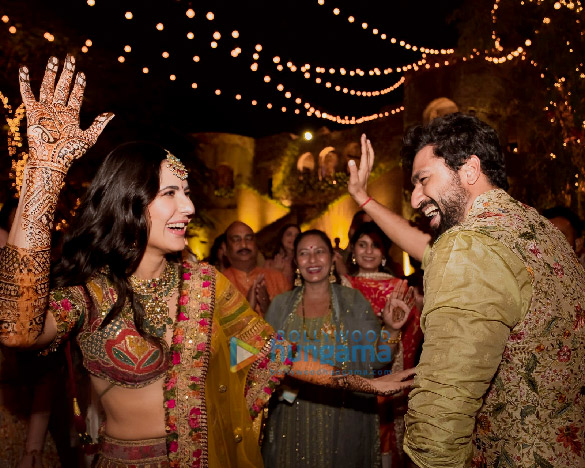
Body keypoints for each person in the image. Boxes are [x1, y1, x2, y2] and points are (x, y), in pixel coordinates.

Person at [0, 56, 415, 468]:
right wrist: (44, 173)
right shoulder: (92, 294)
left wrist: (366, 383)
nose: (190, 205)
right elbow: (17, 331)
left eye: (187, 192)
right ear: (130, 204)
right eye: (170, 194)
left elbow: (275, 353)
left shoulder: (204, 285)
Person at [347, 114, 585, 467]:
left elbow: (443, 409)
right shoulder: (539, 231)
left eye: (423, 180)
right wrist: (362, 198)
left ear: (469, 169)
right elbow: (424, 246)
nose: (415, 199)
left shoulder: (468, 246)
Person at [262, 229, 415, 468]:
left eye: (319, 252)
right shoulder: (280, 306)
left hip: (343, 417)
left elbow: (377, 360)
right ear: (296, 262)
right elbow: (263, 361)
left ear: (332, 258)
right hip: (293, 418)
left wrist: (392, 329)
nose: (312, 260)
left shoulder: (353, 301)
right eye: (304, 253)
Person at [341, 222, 423, 467]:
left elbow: (414, 332)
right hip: (354, 364)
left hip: (390, 364)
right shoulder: (343, 285)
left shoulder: (399, 286)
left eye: (375, 246)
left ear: (385, 253)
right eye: (362, 245)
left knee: (384, 428)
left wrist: (392, 327)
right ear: (353, 251)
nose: (368, 251)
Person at [223, 221, 291, 316]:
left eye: (249, 239)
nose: (244, 245)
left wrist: (269, 309)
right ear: (225, 248)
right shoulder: (217, 284)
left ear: (256, 246)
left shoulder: (278, 279)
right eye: (236, 240)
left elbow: (291, 323)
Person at [264, 223, 300, 288]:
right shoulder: (269, 263)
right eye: (289, 234)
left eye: (297, 236)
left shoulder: (302, 262)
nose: (293, 238)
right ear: (281, 238)